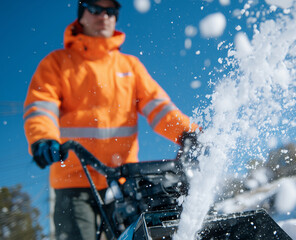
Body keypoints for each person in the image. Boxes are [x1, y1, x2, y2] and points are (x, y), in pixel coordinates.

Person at [23, 0, 199, 239]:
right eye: (96, 9)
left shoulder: (130, 67)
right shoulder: (56, 64)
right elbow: (41, 107)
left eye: (111, 11)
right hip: (74, 181)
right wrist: (43, 138)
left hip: (122, 183)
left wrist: (189, 134)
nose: (104, 16)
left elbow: (160, 110)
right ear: (81, 15)